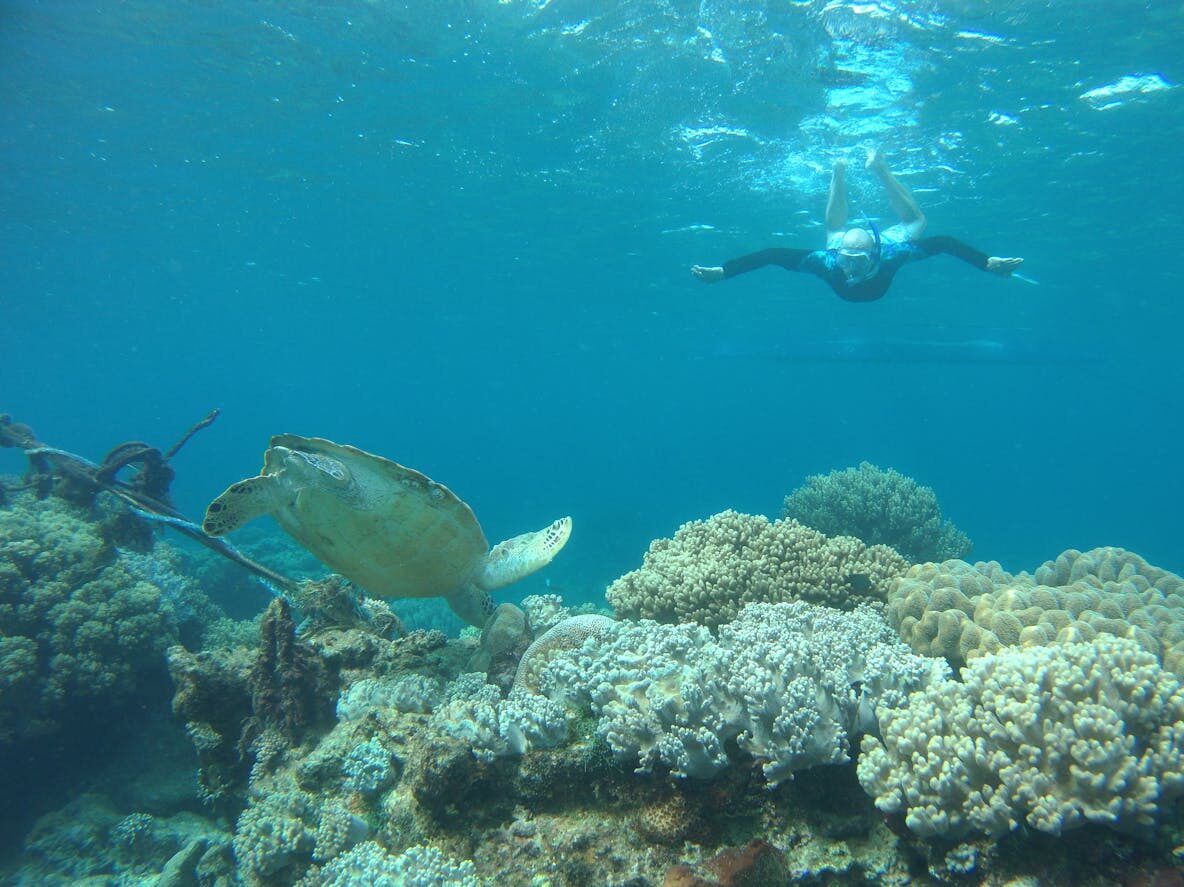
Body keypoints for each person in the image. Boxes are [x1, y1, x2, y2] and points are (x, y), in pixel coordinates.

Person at [691, 149, 1024, 302]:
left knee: (916, 223)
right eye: (845, 260)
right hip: (846, 245)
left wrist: (986, 263)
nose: (848, 268)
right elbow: (772, 254)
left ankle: (879, 168)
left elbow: (946, 243)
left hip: (887, 241)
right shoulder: (830, 260)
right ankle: (839, 169)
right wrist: (725, 271)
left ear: (874, 257)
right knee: (833, 238)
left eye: (857, 261)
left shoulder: (892, 254)